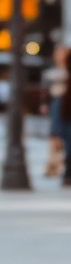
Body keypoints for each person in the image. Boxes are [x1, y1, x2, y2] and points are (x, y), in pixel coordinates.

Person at [40, 45, 69, 176]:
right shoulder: (50, 71)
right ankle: (53, 164)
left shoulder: (67, 71)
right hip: (56, 103)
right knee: (55, 134)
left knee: (65, 135)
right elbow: (45, 90)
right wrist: (44, 103)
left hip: (67, 104)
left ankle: (61, 164)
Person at [59, 51, 71, 186]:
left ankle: (68, 173)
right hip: (67, 116)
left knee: (69, 146)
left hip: (67, 116)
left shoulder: (65, 78)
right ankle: (68, 173)